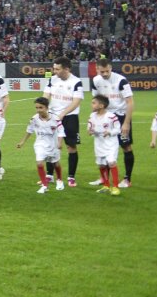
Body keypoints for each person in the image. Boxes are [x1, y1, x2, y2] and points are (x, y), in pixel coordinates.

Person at [91, 58, 135, 188]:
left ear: (111, 68)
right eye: (102, 71)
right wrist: (94, 118)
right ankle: (104, 179)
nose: (104, 74)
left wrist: (126, 123)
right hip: (105, 117)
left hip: (121, 117)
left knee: (126, 146)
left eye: (107, 71)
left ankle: (127, 179)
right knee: (105, 147)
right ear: (97, 69)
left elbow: (130, 102)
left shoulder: (121, 81)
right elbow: (96, 100)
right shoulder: (95, 81)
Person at [43, 57, 84, 187]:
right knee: (51, 145)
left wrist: (63, 114)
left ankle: (71, 177)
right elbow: (46, 95)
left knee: (71, 146)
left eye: (57, 69)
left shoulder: (76, 82)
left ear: (66, 69)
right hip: (53, 116)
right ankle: (49, 175)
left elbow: (76, 101)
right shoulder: (52, 80)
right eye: (54, 68)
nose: (54, 71)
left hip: (70, 117)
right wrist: (45, 110)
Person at [16, 97, 65, 194]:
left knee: (56, 163)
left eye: (40, 108)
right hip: (40, 144)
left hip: (53, 144)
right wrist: (22, 142)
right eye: (37, 108)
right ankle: (44, 185)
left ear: (47, 108)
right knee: (39, 163)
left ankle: (59, 180)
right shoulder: (34, 119)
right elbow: (29, 131)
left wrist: (59, 142)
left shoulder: (55, 119)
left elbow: (61, 131)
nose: (38, 110)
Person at [87, 94, 122, 196]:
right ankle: (106, 186)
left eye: (94, 103)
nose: (92, 105)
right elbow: (89, 127)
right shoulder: (92, 116)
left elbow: (118, 129)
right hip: (99, 144)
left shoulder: (111, 116)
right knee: (101, 165)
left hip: (111, 144)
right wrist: (90, 131)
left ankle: (115, 187)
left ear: (101, 105)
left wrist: (109, 132)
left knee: (111, 162)